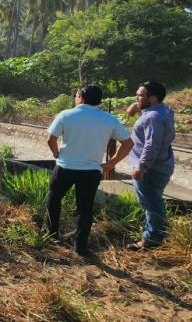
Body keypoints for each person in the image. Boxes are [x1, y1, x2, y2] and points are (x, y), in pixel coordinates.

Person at [46, 85, 134, 257]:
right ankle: (81, 246)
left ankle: (52, 234)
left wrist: (57, 153)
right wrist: (111, 163)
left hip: (65, 167)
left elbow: (50, 139)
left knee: (54, 198)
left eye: (76, 95)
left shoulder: (66, 114)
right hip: (91, 171)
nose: (75, 97)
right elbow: (128, 143)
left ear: (81, 97)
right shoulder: (108, 119)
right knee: (85, 208)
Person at [126, 81, 176, 249]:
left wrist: (141, 167)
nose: (136, 97)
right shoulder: (163, 110)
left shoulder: (152, 117)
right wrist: (136, 105)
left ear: (152, 98)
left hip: (151, 169)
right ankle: (154, 234)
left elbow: (151, 145)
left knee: (152, 203)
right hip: (162, 164)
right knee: (153, 201)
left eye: (140, 95)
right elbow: (150, 105)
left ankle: (153, 239)